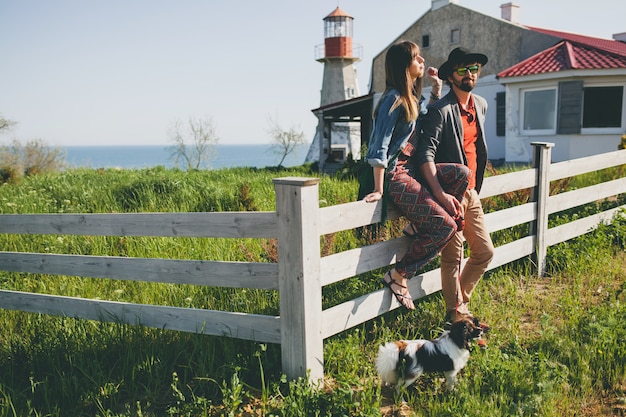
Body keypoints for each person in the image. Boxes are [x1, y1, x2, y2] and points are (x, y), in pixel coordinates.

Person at [363, 41, 470, 311]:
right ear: (403, 65)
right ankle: (400, 275)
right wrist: (379, 187)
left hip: (411, 171)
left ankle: (419, 225)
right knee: (446, 226)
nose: (422, 60)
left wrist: (436, 88)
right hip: (395, 175)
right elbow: (379, 145)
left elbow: (424, 118)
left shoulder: (409, 97)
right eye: (415, 57)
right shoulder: (391, 99)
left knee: (462, 175)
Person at [415, 47, 495, 323]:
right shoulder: (440, 110)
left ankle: (458, 305)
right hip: (449, 194)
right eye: (463, 69)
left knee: (484, 252)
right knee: (453, 258)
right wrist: (439, 193)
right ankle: (457, 314)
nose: (470, 74)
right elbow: (425, 154)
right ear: (450, 76)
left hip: (472, 193)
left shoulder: (481, 105)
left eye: (474, 68)